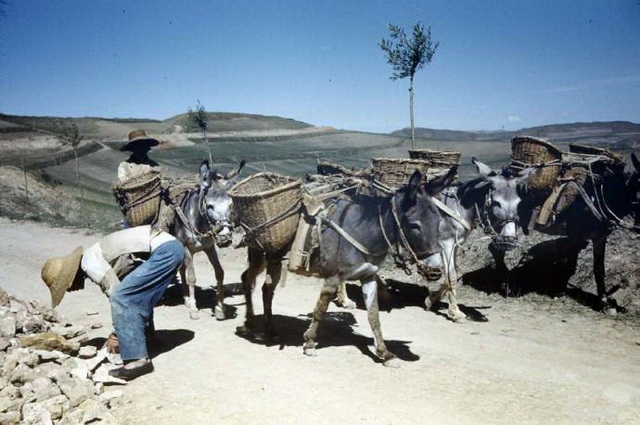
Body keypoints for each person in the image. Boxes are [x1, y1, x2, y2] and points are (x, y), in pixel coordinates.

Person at [41, 225, 184, 381]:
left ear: (71, 276)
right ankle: (149, 341)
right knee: (136, 296)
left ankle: (137, 361)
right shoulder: (92, 257)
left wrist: (117, 335)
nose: (70, 290)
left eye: (66, 287)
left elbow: (117, 296)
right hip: (171, 248)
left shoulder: (90, 263)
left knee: (122, 297)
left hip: (166, 251)